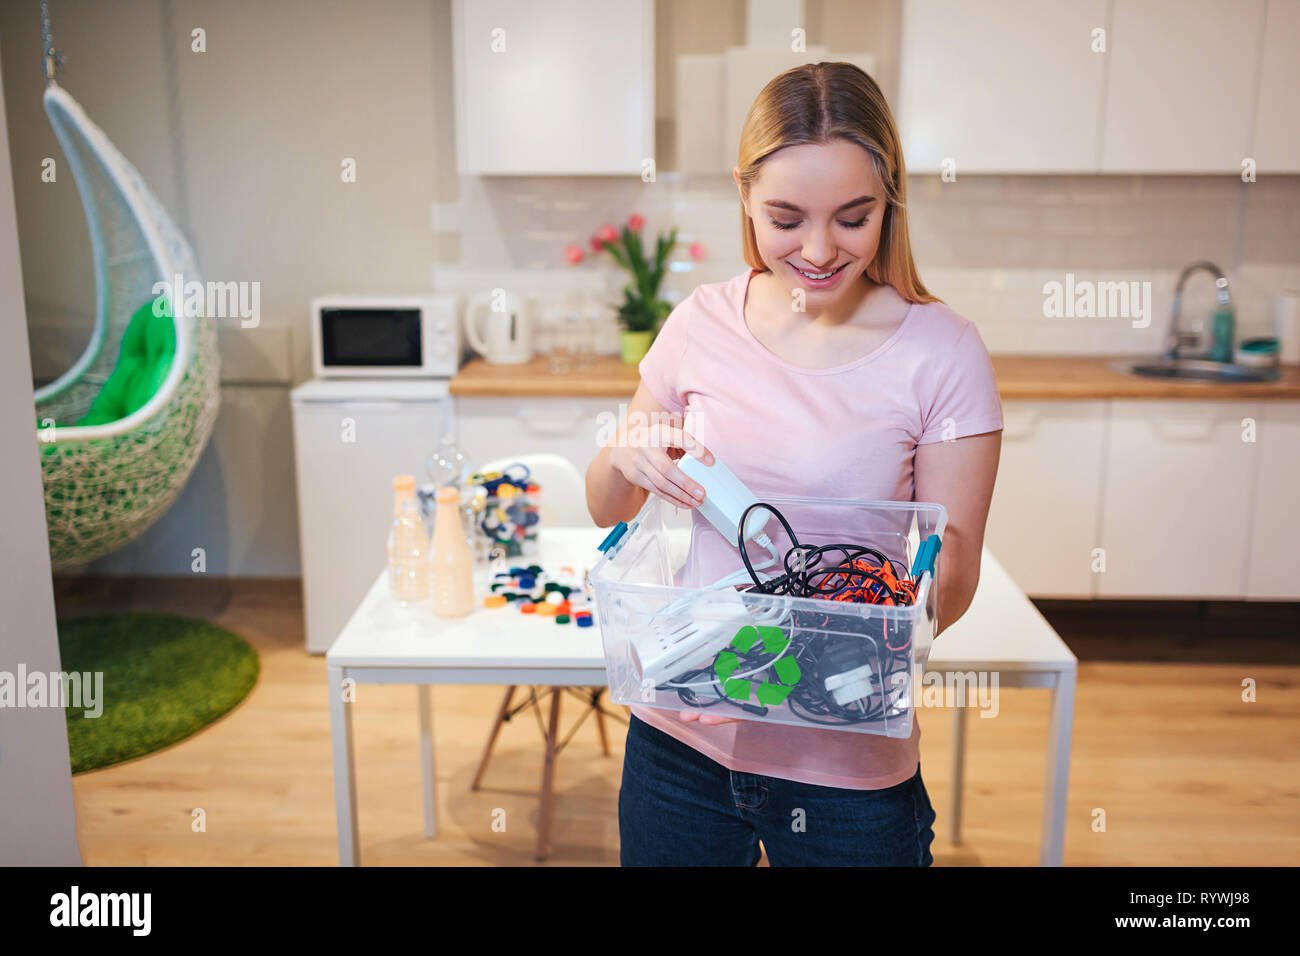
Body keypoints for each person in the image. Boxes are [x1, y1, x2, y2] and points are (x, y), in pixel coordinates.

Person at [585, 61, 1003, 866]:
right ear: (743, 196)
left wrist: (834, 623)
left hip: (845, 762)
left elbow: (952, 584)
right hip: (679, 743)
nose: (818, 250)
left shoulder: (943, 352)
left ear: (891, 203)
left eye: (854, 217)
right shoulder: (700, 321)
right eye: (786, 217)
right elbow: (610, 508)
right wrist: (624, 452)